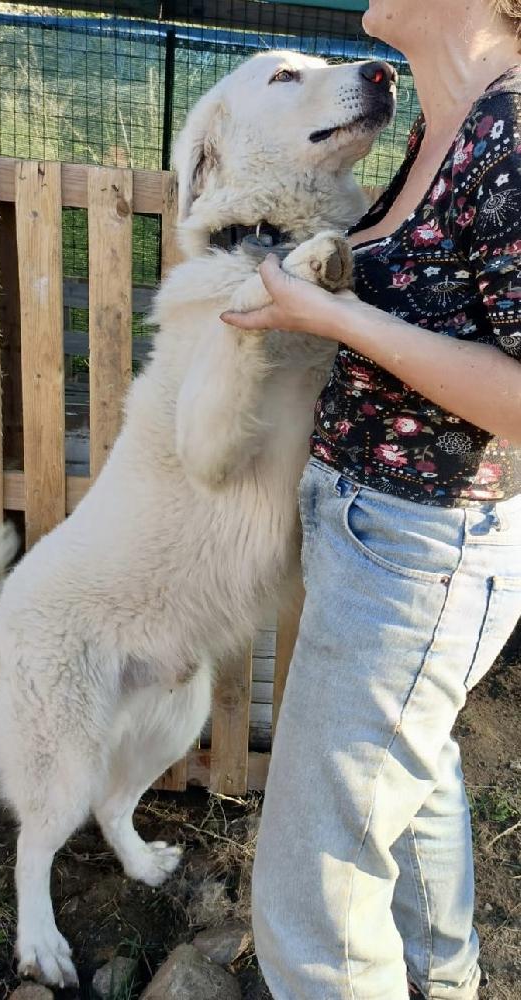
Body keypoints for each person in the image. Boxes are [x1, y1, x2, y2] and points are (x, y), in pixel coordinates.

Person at [221, 1, 521, 998]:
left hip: (419, 551)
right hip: (379, 533)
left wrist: (337, 320)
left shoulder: (510, 134)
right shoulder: (447, 121)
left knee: (314, 903)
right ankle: (447, 983)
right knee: (411, 784)